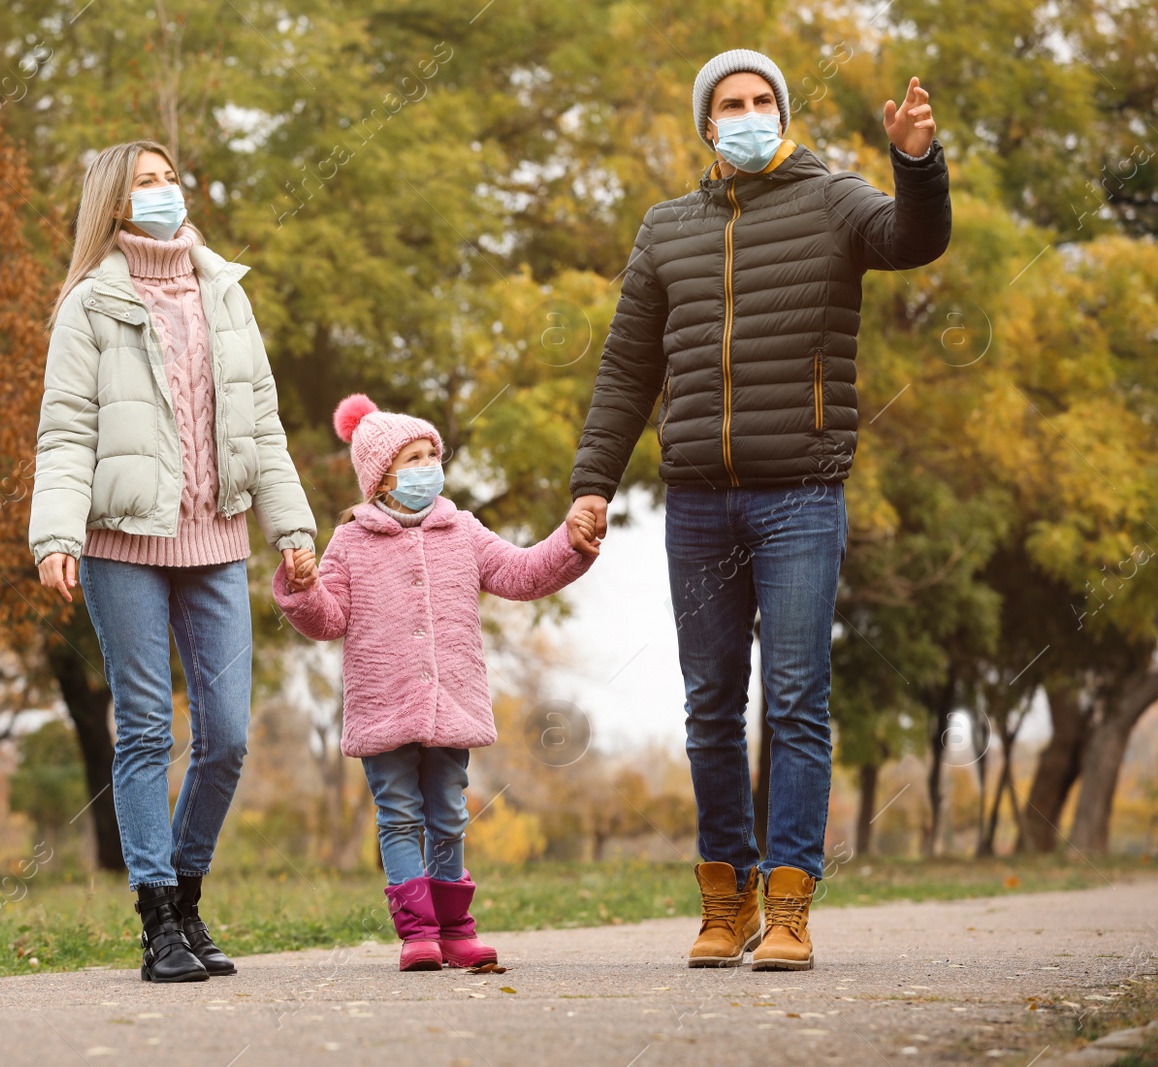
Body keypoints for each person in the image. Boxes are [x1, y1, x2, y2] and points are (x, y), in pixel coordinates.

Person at [565, 49, 950, 971]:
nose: (747, 113)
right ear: (707, 124)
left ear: (781, 111)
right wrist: (592, 484)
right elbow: (627, 369)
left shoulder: (835, 199)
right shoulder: (666, 231)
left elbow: (915, 240)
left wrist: (916, 163)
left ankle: (789, 905)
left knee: (795, 701)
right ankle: (725, 899)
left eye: (762, 100)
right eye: (730, 103)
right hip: (697, 499)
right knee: (707, 706)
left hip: (801, 496)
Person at [29, 139, 318, 983]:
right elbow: (65, 429)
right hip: (123, 542)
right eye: (145, 183)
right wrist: (55, 535)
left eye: (169, 178)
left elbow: (261, 421)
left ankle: (187, 892)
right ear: (115, 206)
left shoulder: (223, 290)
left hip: (217, 538)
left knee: (227, 735)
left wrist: (291, 527)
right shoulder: (89, 304)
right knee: (148, 728)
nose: (164, 192)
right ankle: (158, 917)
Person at [275, 394, 594, 971]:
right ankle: (417, 933)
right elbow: (329, 620)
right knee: (398, 814)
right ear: (381, 478)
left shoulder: (462, 530)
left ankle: (455, 929)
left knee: (447, 814)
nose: (429, 466)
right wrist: (302, 588)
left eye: (432, 454)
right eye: (413, 458)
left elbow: (520, 572)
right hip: (383, 705)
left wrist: (567, 543)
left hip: (451, 705)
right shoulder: (350, 542)